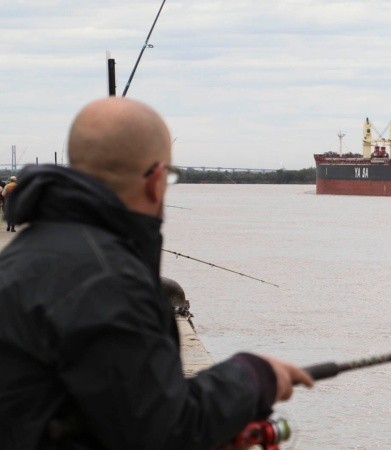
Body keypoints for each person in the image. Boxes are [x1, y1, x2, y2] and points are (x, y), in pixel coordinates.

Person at [0, 98, 313, 449]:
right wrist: (255, 376)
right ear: (156, 181)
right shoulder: (108, 282)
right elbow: (163, 432)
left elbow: (75, 410)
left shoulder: (22, 258)